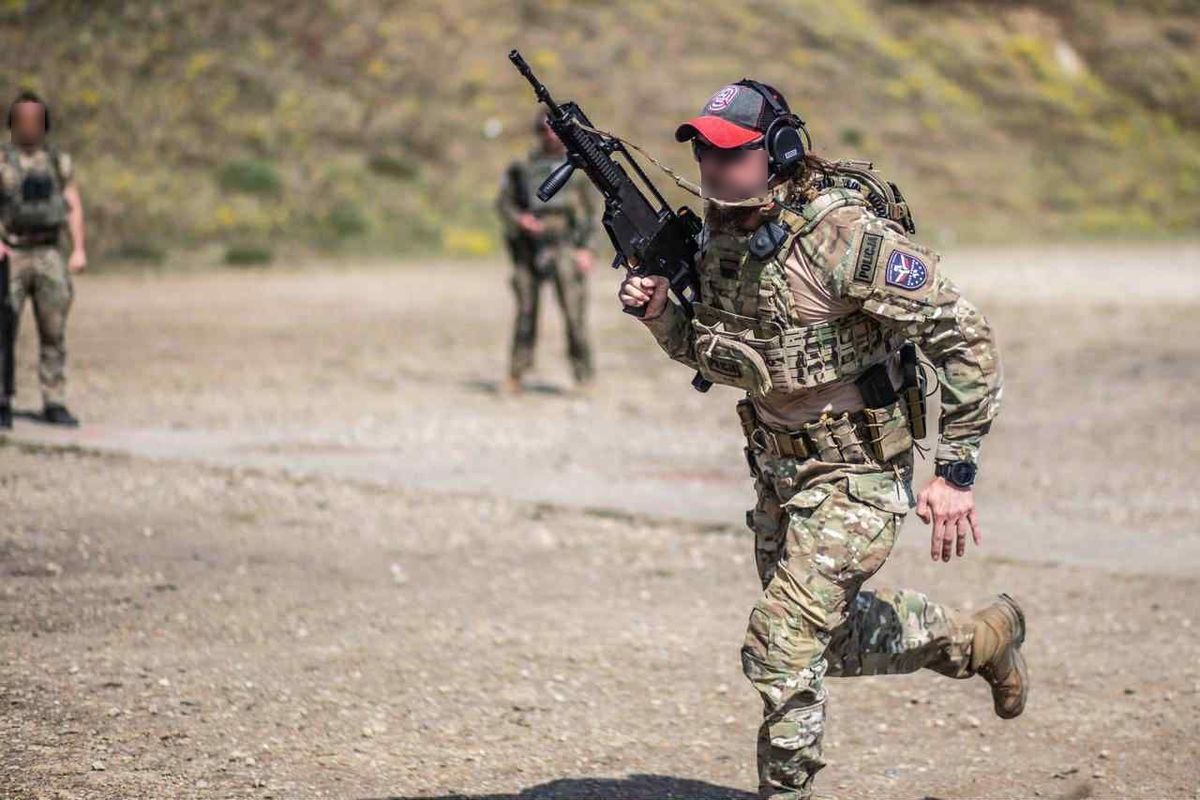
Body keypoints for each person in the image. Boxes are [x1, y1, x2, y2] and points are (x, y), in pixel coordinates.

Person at [618, 80, 1025, 800]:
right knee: (825, 644)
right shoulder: (721, 237)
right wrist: (660, 318)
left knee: (779, 648)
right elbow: (729, 359)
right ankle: (979, 640)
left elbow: (964, 337)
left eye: (729, 151)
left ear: (776, 152)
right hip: (779, 477)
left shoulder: (842, 238)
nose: (711, 165)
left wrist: (956, 472)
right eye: (703, 149)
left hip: (860, 474)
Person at [0, 90, 86, 427]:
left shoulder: (57, 161)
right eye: (23, 119)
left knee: (54, 330)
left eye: (35, 119)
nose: (29, 126)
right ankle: (2, 400)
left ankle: (54, 400)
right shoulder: (3, 161)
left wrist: (78, 248)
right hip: (13, 252)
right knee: (4, 330)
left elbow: (73, 205)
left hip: (49, 252)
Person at [496, 115, 596, 394]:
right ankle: (516, 373)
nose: (550, 135)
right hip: (529, 246)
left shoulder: (577, 168)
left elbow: (591, 213)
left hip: (565, 245)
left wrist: (587, 249)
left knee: (574, 312)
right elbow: (504, 204)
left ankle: (584, 375)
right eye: (544, 129)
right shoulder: (522, 168)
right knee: (526, 311)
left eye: (555, 130)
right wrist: (520, 221)